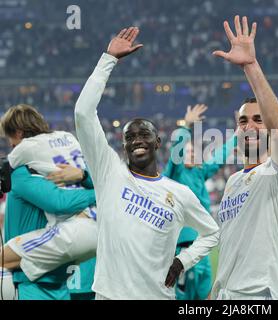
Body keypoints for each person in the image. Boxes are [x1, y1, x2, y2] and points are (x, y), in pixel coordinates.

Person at [74, 26, 220, 300]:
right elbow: (83, 113)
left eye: (144, 134)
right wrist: (108, 60)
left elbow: (212, 233)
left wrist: (182, 262)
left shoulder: (179, 194)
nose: (137, 139)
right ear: (124, 145)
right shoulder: (109, 173)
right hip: (109, 295)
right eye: (130, 136)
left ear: (157, 142)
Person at [210, 16, 278, 300]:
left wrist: (250, 66)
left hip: (260, 295)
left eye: (258, 120)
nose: (248, 125)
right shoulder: (232, 182)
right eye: (242, 121)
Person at [0, 105, 96, 300]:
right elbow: (102, 177)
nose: (10, 144)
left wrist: (101, 193)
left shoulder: (22, 172)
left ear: (18, 132)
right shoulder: (66, 144)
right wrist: (87, 180)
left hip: (35, 280)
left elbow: (59, 203)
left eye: (10, 138)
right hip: (53, 275)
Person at [163, 104, 236, 300]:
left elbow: (219, 157)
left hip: (203, 249)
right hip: (182, 250)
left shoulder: (199, 172)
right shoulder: (173, 176)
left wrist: (237, 134)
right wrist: (186, 126)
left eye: (194, 151)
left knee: (205, 297)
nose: (193, 153)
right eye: (188, 151)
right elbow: (175, 155)